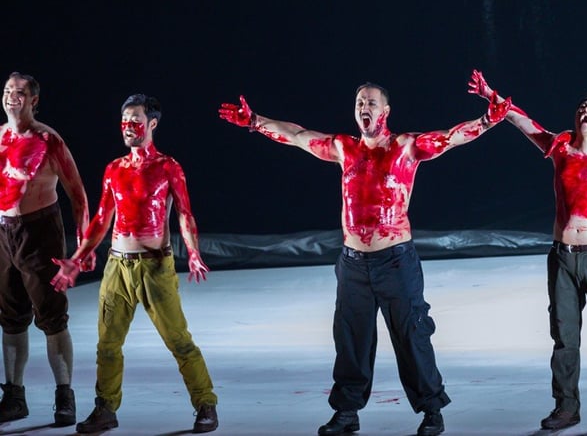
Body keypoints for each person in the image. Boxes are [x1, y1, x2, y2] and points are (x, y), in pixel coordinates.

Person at [218, 80, 509, 436]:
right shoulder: (344, 148)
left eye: (370, 102)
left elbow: (450, 137)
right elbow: (297, 135)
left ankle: (432, 410)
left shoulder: (405, 147)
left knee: (412, 336)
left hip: (396, 262)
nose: (363, 107)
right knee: (351, 340)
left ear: (385, 112)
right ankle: (347, 413)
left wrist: (487, 120)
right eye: (359, 102)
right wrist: (254, 121)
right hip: (353, 263)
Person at [467, 71, 587, 430]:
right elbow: (523, 122)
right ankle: (566, 407)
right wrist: (493, 96)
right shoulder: (560, 148)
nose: (585, 109)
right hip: (563, 257)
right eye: (582, 106)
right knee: (565, 337)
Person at [51, 94, 218, 434]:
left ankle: (206, 404)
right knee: (108, 345)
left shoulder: (168, 167)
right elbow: (101, 219)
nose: (128, 126)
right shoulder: (114, 169)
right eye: (124, 120)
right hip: (117, 266)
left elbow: (185, 214)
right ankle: (105, 408)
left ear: (152, 124)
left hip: (155, 267)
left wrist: (194, 252)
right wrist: (77, 258)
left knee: (179, 341)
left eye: (135, 119)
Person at [0, 71, 89, 427]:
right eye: (7, 91)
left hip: (40, 232)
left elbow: (78, 195)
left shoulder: (48, 141)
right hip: (4, 234)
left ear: (34, 100)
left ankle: (64, 395)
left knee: (52, 319)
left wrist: (80, 252)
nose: (11, 97)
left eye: (19, 93)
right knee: (9, 319)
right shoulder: (0, 137)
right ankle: (14, 397)